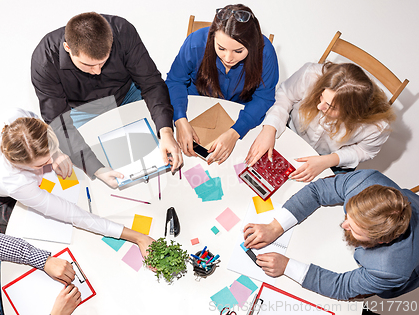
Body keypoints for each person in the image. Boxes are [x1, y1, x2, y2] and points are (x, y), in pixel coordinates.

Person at [0, 108, 153, 258]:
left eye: (51, 151)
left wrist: (56, 154)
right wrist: (137, 237)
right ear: (21, 165)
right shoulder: (15, 182)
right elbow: (73, 214)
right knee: (35, 237)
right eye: (42, 164)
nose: (49, 164)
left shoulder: (16, 118)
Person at [31, 12, 182, 173]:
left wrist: (166, 131)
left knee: (157, 142)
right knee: (95, 161)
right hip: (82, 110)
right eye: (87, 64)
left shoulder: (122, 31)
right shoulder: (44, 61)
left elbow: (151, 83)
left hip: (127, 94)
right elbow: (59, 122)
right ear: (67, 48)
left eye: (103, 62)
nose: (97, 71)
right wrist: (96, 169)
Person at [243, 169, 419, 300]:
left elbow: (342, 287)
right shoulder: (365, 181)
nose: (343, 225)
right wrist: (275, 227)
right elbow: (317, 191)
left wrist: (287, 266)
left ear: (381, 240)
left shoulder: (390, 270)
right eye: (348, 216)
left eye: (355, 229)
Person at [166, 4, 279, 164]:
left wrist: (235, 133)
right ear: (212, 37)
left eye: (238, 51)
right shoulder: (196, 43)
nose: (228, 58)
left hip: (240, 114)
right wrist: (180, 119)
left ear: (252, 45)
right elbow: (175, 80)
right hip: (193, 106)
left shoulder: (266, 54)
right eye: (221, 48)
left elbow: (264, 98)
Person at [246, 62, 396, 182]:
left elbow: (364, 151)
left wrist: (327, 161)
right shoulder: (311, 75)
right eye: (321, 97)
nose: (319, 106)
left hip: (329, 157)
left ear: (353, 112)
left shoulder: (377, 126)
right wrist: (270, 129)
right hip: (290, 130)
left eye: (331, 106)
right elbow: (285, 95)